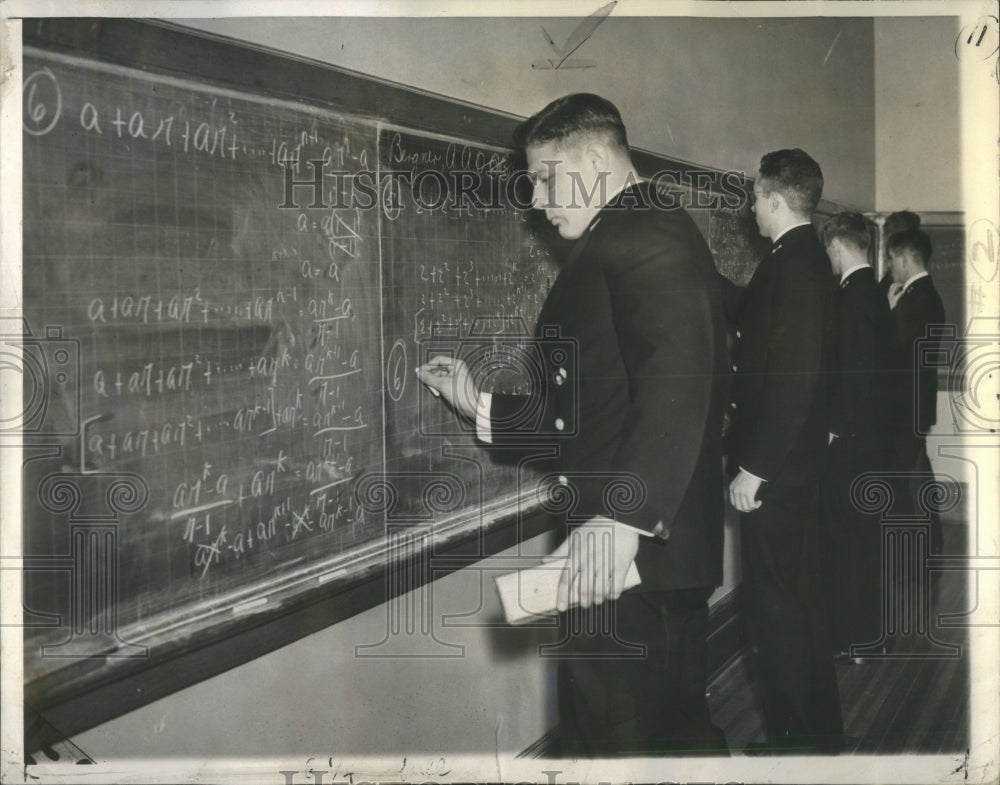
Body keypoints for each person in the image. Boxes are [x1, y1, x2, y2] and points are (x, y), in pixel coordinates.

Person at [417, 93, 729, 757]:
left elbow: (679, 375)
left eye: (546, 178)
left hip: (628, 552)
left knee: (629, 743)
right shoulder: (631, 232)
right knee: (658, 735)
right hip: (634, 552)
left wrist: (623, 517)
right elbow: (590, 407)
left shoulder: (643, 233)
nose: (537, 199)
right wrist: (479, 404)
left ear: (594, 160)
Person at [727, 148, 845, 754]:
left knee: (778, 614)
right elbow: (756, 316)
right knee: (796, 607)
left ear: (773, 199)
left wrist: (754, 468)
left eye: (754, 197)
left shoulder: (793, 265)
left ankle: (797, 747)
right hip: (796, 470)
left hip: (776, 475)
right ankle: (816, 739)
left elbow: (792, 379)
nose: (751, 208)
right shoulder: (797, 259)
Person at [820, 212, 902, 655]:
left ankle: (853, 638)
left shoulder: (851, 297)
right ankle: (875, 633)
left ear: (835, 247)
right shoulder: (874, 294)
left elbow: (854, 374)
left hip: (851, 445)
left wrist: (832, 430)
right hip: (874, 442)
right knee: (865, 541)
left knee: (847, 541)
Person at [886, 228, 946, 554]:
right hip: (915, 405)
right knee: (916, 476)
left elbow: (896, 355)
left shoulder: (914, 300)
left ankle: (915, 551)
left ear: (907, 258)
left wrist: (889, 313)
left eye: (893, 259)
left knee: (903, 482)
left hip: (903, 407)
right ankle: (928, 547)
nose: (890, 266)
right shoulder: (925, 293)